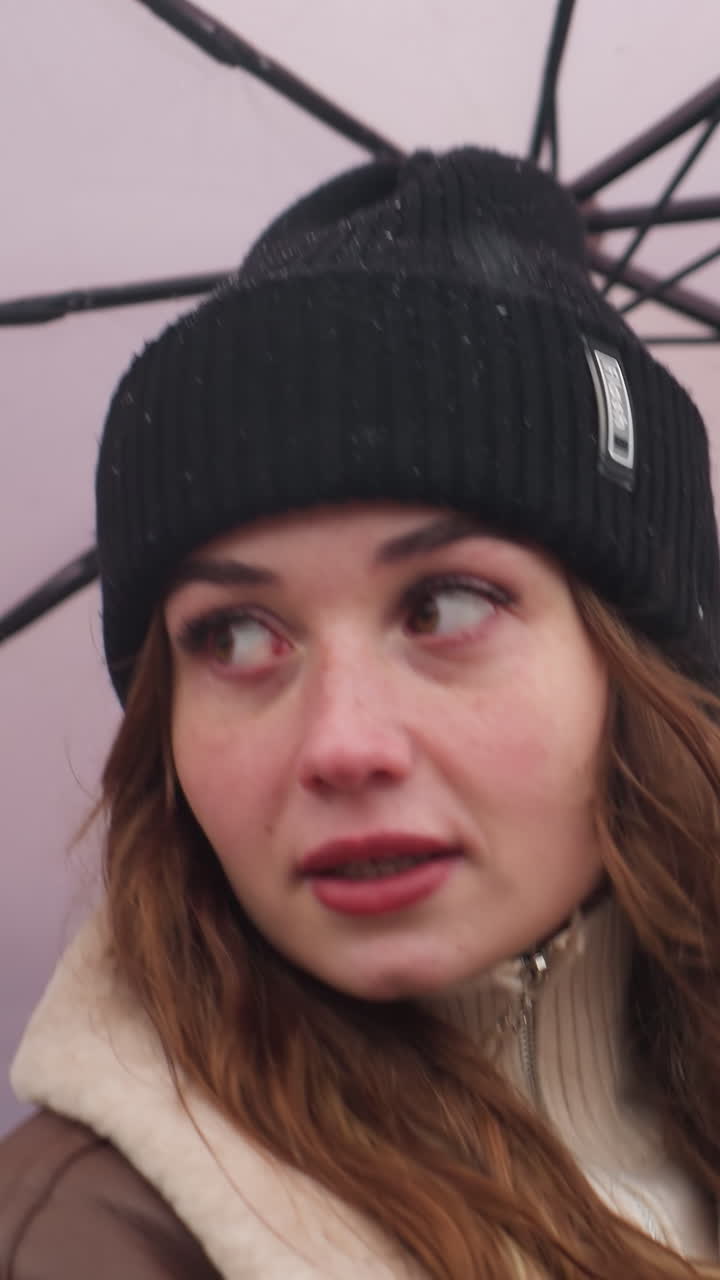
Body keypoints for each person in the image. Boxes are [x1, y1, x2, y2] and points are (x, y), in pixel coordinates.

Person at [1, 147, 719, 1280]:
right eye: (235, 635)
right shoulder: (89, 1241)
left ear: (641, 667)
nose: (341, 743)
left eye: (444, 604)